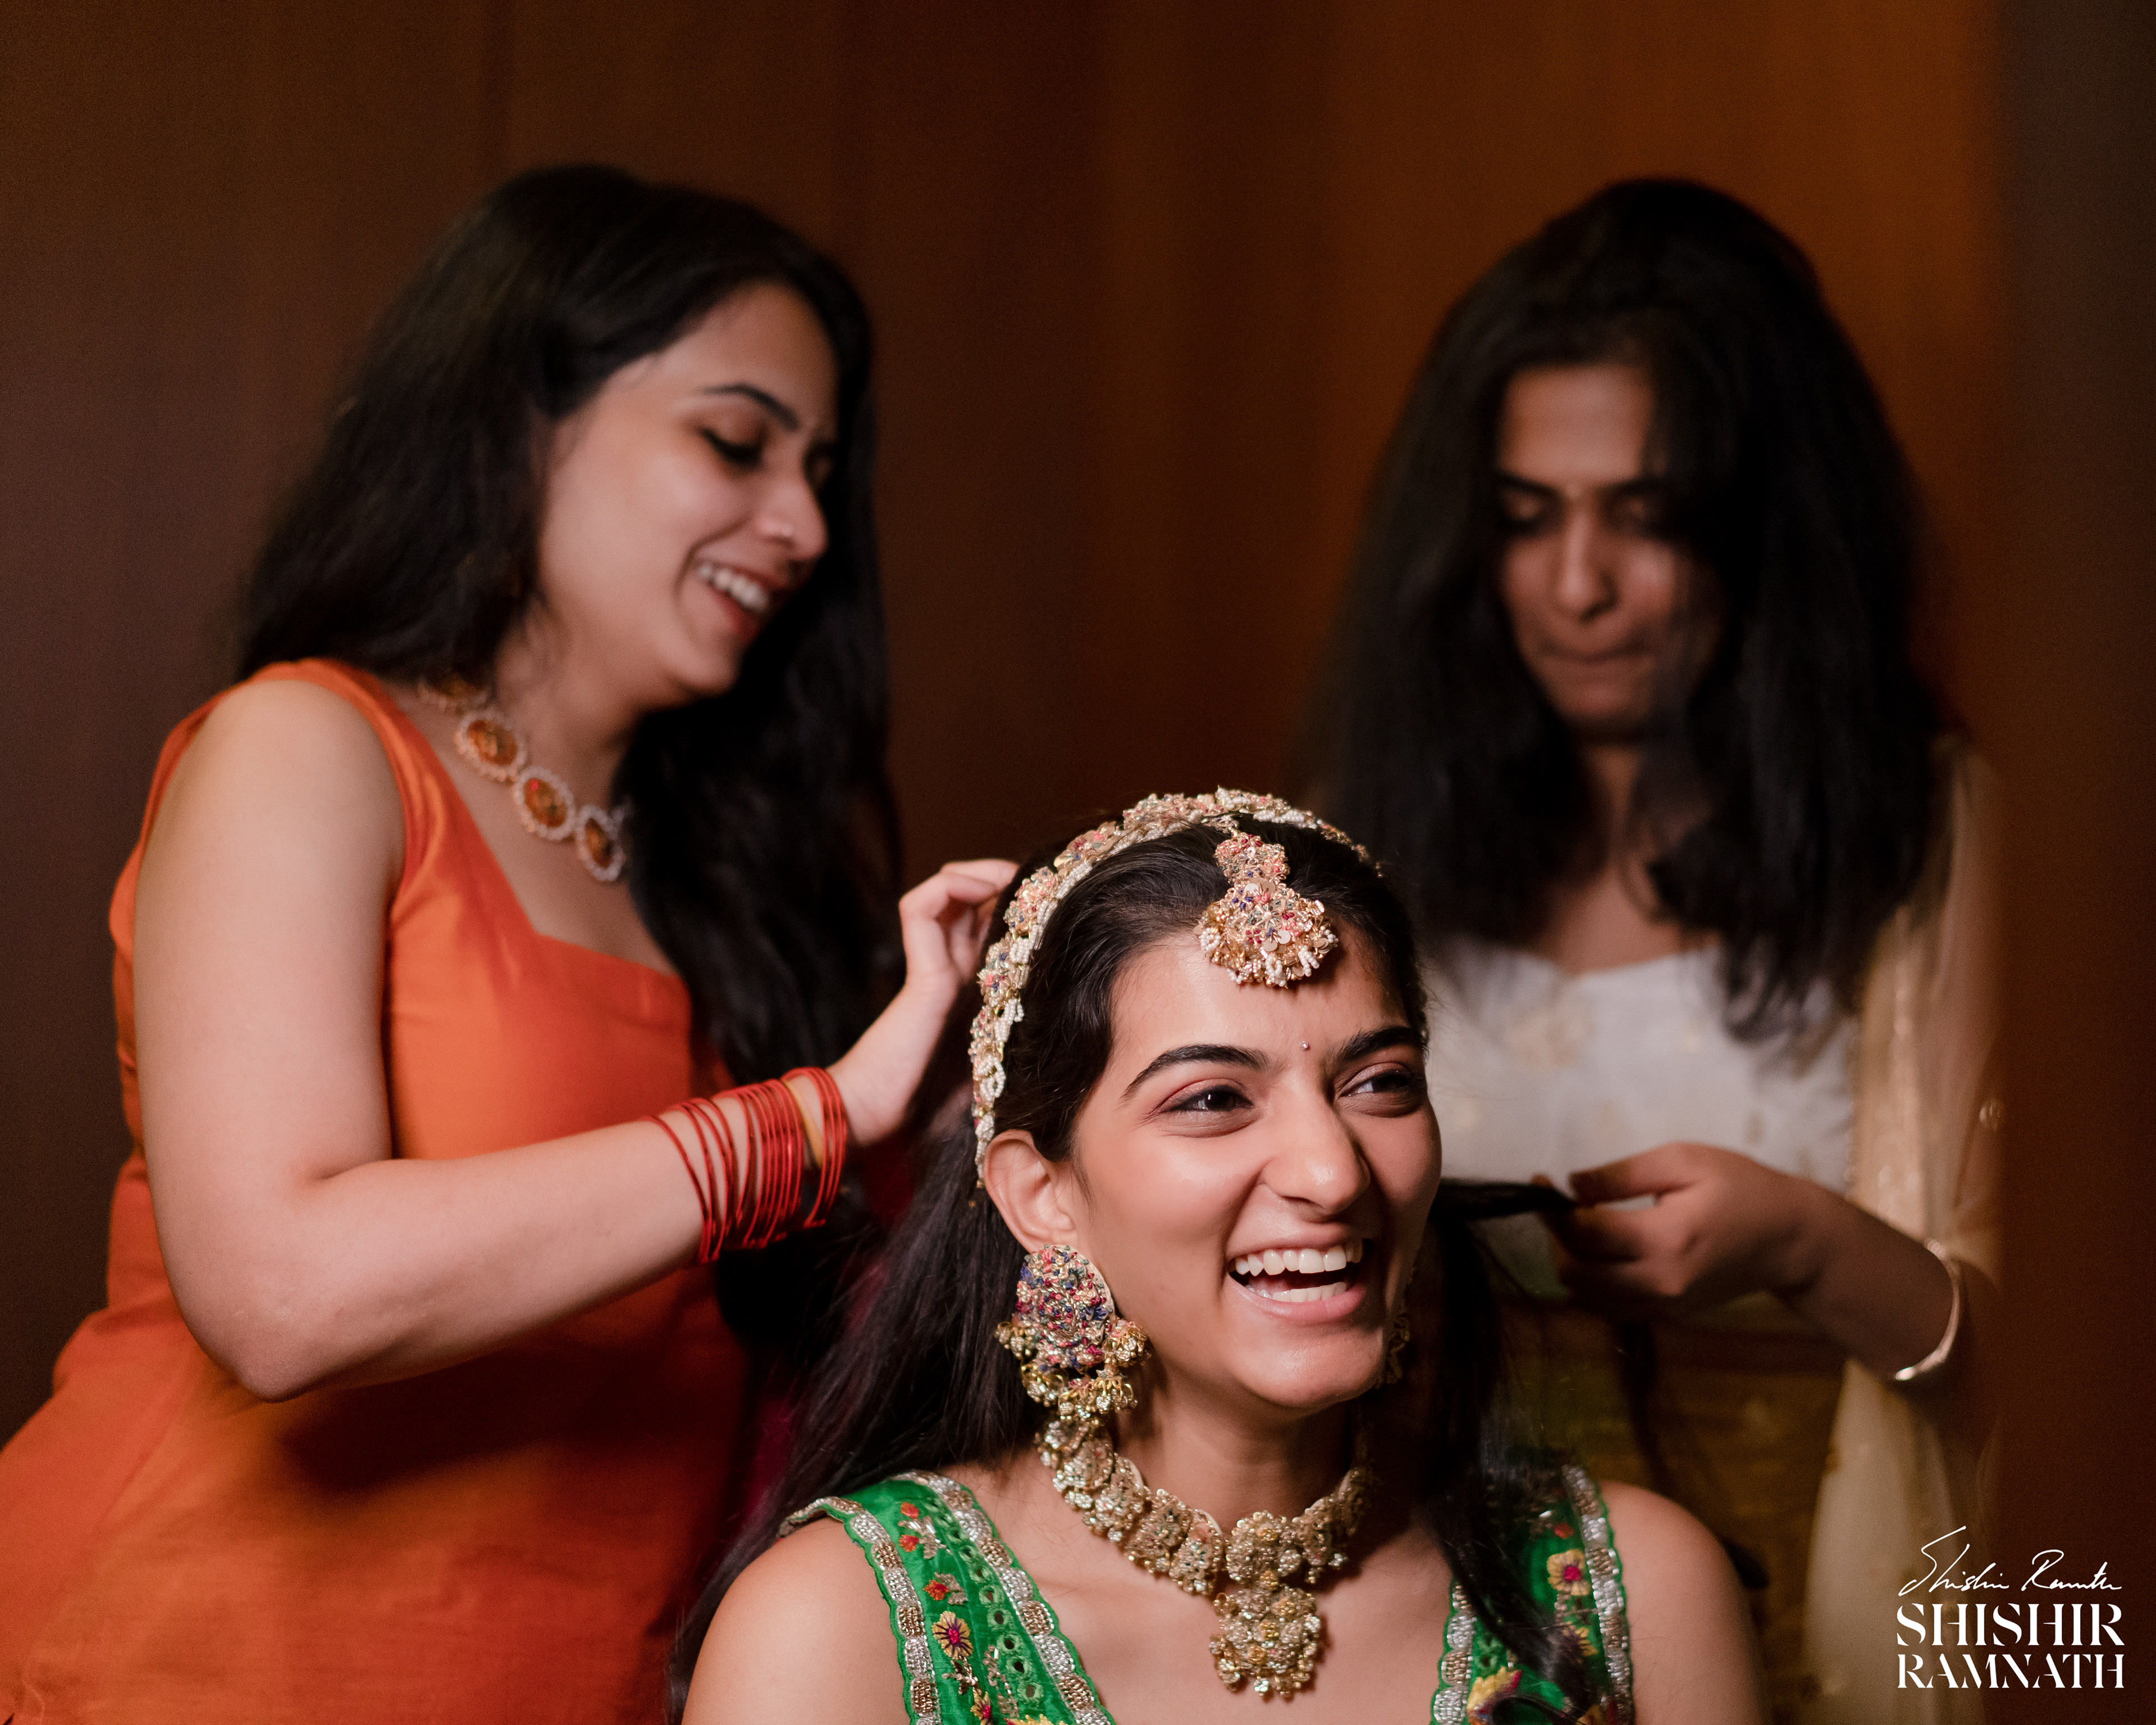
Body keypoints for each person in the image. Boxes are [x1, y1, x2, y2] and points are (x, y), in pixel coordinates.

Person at [0, 164, 1012, 1723]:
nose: (805, 525)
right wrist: (824, 1119)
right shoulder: (310, 751)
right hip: (197, 1661)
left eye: (820, 470)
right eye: (735, 442)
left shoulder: (726, 884)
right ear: (518, 416)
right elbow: (280, 1293)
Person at [1300, 180, 2000, 1723]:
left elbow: (2076, 1376)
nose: (1577, 588)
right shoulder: (1374, 838)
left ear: (1769, 530)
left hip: (1823, 1633)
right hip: (1442, 1640)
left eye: (1647, 517)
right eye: (1527, 519)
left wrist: (1806, 1249)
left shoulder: (1935, 845)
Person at [675, 791, 1764, 1724]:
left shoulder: (1632, 1593)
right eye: (1212, 1101)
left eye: (1379, 1083)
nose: (1333, 1174)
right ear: (1042, 1195)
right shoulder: (840, 1633)